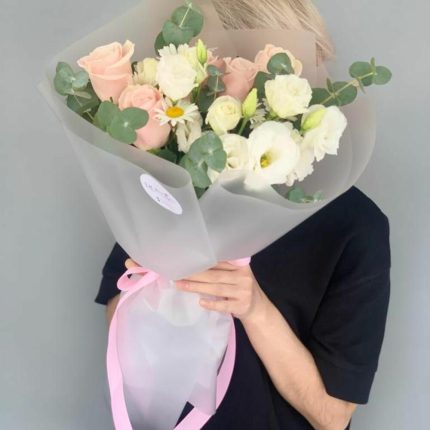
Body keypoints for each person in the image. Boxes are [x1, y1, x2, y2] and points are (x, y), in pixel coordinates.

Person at [95, 2, 391, 429]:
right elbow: (118, 316)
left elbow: (331, 416)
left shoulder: (355, 227)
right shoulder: (175, 185)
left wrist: (255, 309)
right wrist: (152, 280)